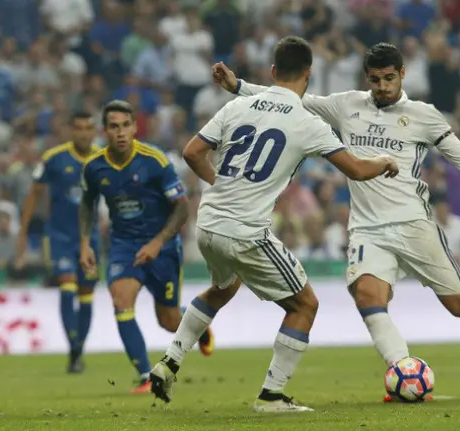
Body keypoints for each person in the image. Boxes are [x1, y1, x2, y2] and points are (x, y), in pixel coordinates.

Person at [212, 42, 460, 401]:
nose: (382, 86)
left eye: (388, 78)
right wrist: (238, 87)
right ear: (366, 79)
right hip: (368, 228)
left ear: (402, 74)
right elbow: (290, 100)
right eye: (374, 79)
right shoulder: (346, 105)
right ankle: (403, 372)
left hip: (414, 224)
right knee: (368, 296)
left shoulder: (424, 115)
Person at [149, 36, 400, 412]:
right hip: (245, 232)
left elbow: (191, 152)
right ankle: (271, 396)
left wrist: (223, 186)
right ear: (309, 75)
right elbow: (358, 170)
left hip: (208, 224)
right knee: (305, 305)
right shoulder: (307, 122)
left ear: (272, 72)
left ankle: (169, 361)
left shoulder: (238, 105)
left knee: (222, 288)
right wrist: (385, 161)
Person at [79, 100, 214, 393]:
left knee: (168, 321)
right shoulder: (94, 167)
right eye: (113, 126)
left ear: (134, 127)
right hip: (124, 245)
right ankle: (144, 376)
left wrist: (157, 242)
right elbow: (87, 204)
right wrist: (85, 245)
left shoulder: (155, 161)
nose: (120, 132)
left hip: (163, 247)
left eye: (125, 125)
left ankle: (198, 328)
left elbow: (181, 207)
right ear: (105, 131)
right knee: (121, 300)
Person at [16, 112, 100, 373]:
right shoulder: (53, 158)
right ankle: (74, 345)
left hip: (92, 237)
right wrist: (23, 231)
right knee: (67, 285)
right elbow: (35, 193)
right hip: (60, 236)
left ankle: (77, 351)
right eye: (79, 127)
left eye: (88, 128)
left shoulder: (102, 159)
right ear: (71, 131)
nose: (83, 133)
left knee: (86, 294)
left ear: (93, 131)